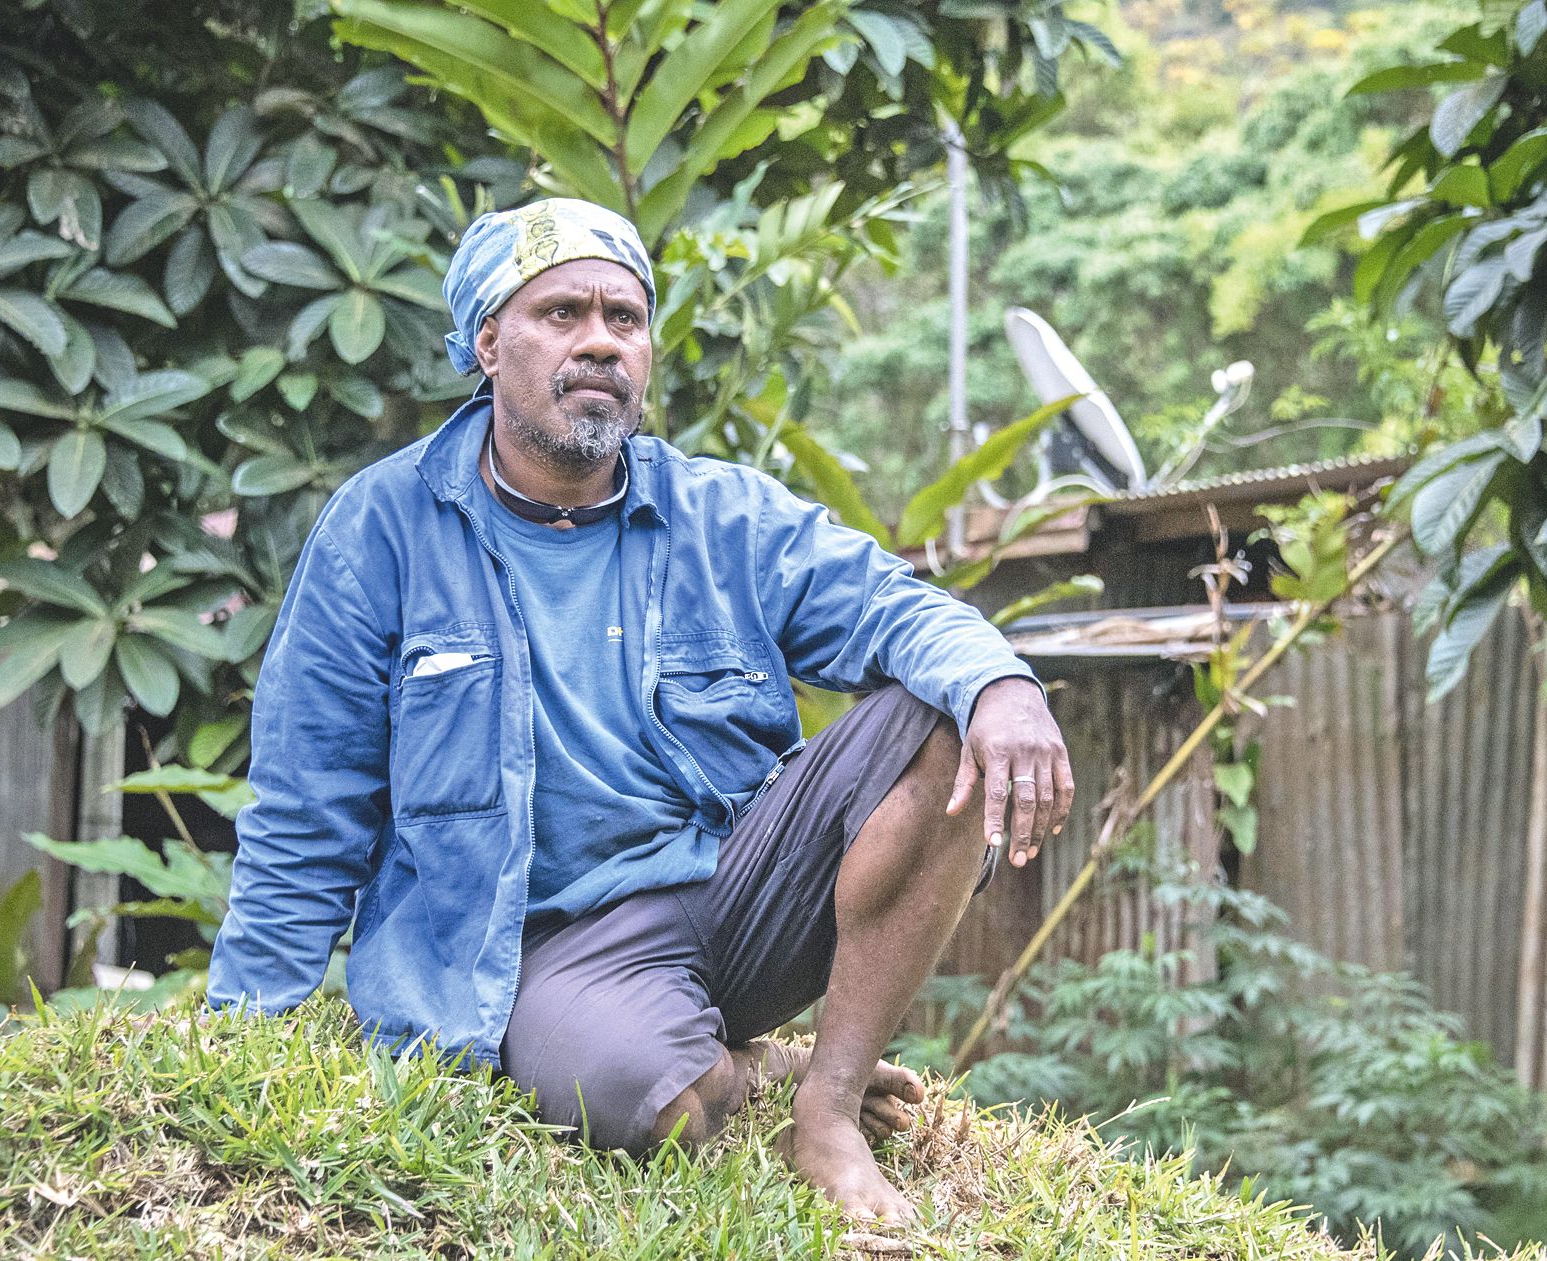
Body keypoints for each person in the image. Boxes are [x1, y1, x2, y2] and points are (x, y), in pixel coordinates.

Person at [207, 198, 1074, 1222]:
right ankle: (730, 1068)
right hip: (552, 946)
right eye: (562, 313)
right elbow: (309, 799)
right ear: (486, 342)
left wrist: (1002, 685)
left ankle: (828, 1105)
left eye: (625, 317)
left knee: (940, 710)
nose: (600, 342)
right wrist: (241, 1032)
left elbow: (896, 608)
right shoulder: (383, 531)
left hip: (741, 890)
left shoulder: (726, 516)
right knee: (643, 1103)